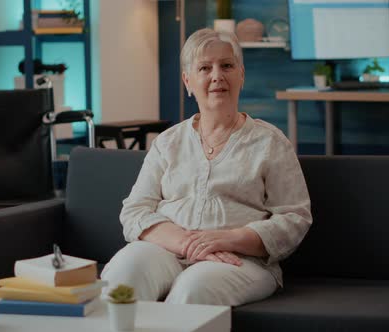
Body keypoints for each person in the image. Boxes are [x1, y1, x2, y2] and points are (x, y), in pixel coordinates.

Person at [101, 28, 312, 306]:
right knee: (122, 274)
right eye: (204, 67)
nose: (217, 76)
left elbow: (294, 218)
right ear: (188, 81)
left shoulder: (271, 142)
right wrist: (188, 244)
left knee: (193, 288)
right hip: (165, 250)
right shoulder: (168, 142)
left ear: (241, 74)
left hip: (241, 261)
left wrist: (230, 239)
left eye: (226, 65)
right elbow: (135, 210)